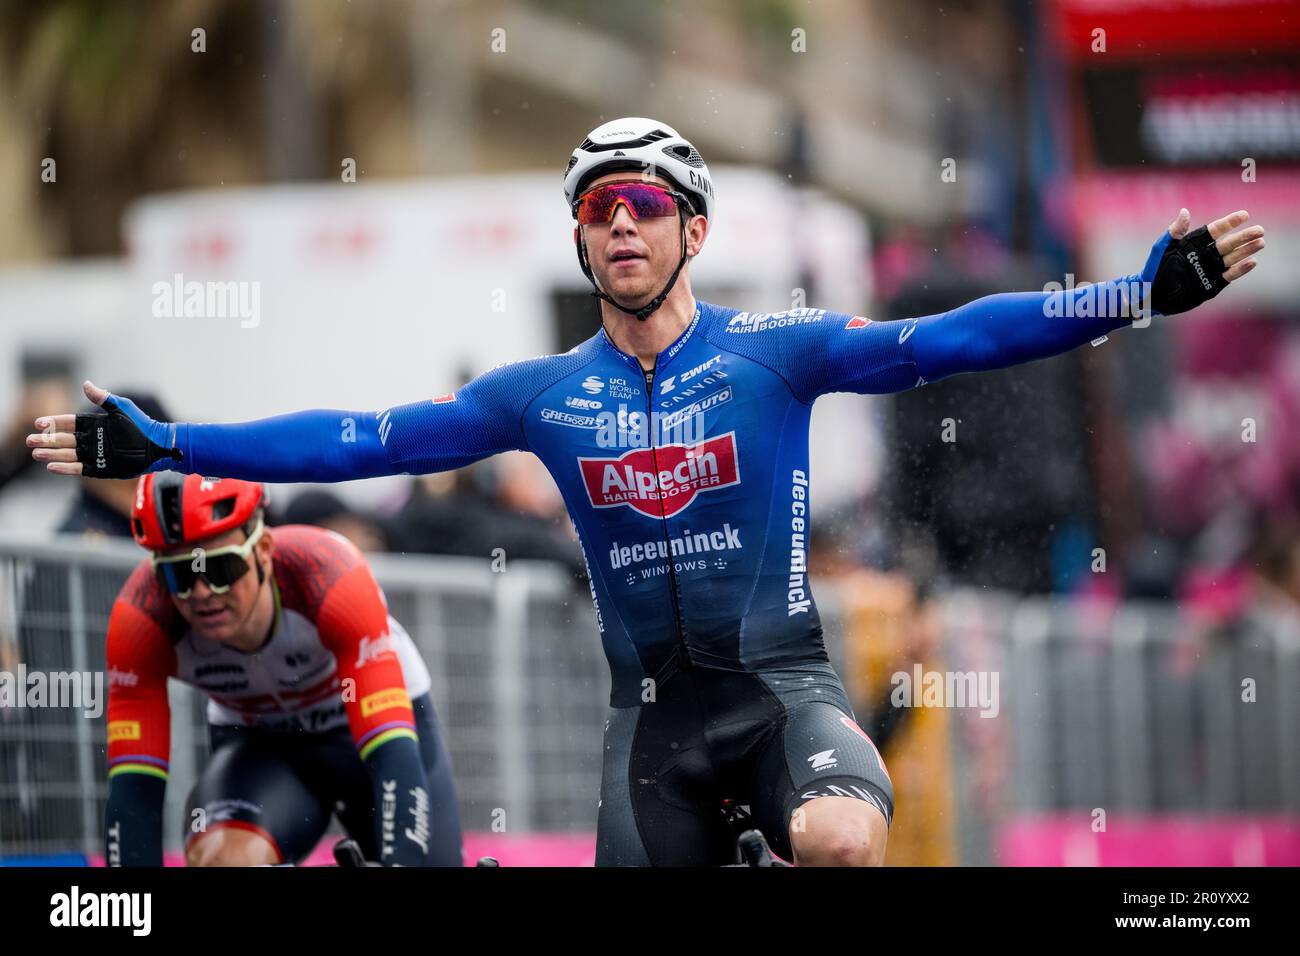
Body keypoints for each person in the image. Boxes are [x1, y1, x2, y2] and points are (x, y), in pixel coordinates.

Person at [29, 117, 1265, 866]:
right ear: (580, 242)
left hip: (782, 695)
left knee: (837, 836)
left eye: (643, 206)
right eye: (595, 211)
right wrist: (176, 444)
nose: (619, 226)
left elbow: (950, 338)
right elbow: (362, 438)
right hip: (650, 733)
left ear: (691, 231)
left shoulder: (773, 352)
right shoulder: (540, 394)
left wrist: (1133, 296)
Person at [101, 472, 462, 866]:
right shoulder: (141, 619)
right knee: (226, 861)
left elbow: (392, 751)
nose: (203, 592)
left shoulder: (329, 577)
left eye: (221, 569)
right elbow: (135, 792)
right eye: (180, 575)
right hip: (264, 747)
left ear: (264, 551)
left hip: (369, 736)